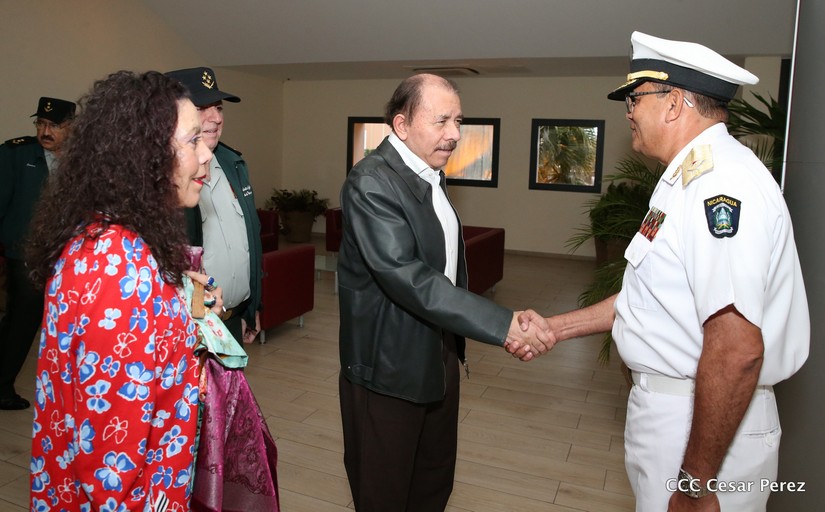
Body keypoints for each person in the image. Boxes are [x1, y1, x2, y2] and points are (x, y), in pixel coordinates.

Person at [517, 32, 810, 511]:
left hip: (704, 429)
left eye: (635, 98)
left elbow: (736, 348)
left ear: (673, 103)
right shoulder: (683, 180)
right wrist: (555, 327)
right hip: (675, 415)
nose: (628, 111)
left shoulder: (721, 186)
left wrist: (695, 486)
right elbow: (646, 299)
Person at [337, 73, 543, 511]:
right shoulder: (371, 182)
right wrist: (503, 323)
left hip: (438, 353)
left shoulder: (428, 173)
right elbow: (408, 276)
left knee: (432, 482)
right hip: (388, 368)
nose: (454, 134)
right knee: (384, 492)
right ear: (402, 124)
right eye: (442, 121)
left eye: (459, 121)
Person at [26, 70, 214, 509]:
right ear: (145, 154)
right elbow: (111, 469)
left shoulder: (109, 237)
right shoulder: (120, 275)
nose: (207, 153)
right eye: (193, 140)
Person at [164, 67, 263, 344]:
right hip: (187, 326)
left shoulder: (234, 164)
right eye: (201, 108)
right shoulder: (162, 181)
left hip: (232, 317)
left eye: (218, 108)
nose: (216, 118)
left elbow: (249, 243)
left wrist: (251, 307)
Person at [0, 96, 75, 410]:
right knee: (22, 320)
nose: (45, 131)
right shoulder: (15, 153)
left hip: (63, 258)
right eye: (41, 124)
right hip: (23, 253)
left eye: (54, 125)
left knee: (22, 321)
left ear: (71, 127)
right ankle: (3, 388)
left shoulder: (80, 161)